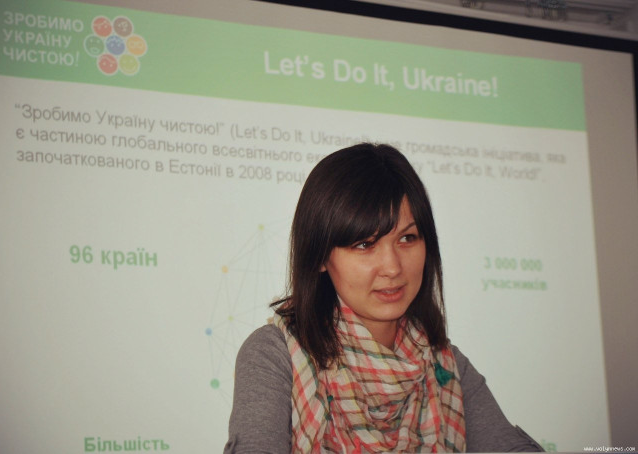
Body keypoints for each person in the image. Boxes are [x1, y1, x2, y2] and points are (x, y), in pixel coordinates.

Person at [224, 143, 542, 453]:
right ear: (319, 255)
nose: (392, 267)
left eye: (407, 238)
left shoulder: (445, 365)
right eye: (365, 244)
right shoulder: (274, 354)